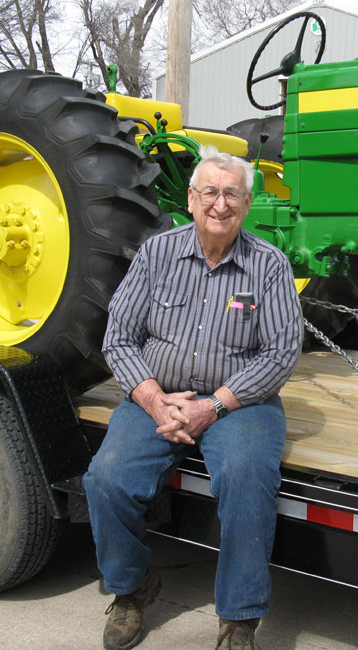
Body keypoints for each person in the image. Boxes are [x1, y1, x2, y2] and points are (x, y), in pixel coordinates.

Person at [83, 144, 304, 650]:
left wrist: (214, 405)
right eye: (210, 192)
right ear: (190, 198)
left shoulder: (269, 265)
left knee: (247, 481)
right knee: (106, 479)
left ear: (247, 203)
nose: (220, 204)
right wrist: (154, 401)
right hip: (157, 396)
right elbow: (118, 338)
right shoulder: (156, 254)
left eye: (232, 194)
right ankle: (131, 587)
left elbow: (280, 353)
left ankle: (239, 618)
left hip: (240, 403)